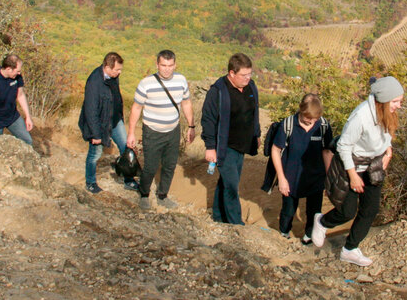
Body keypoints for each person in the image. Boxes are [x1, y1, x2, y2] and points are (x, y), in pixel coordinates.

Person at [311, 77, 403, 266]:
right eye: (395, 101)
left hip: (373, 165)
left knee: (370, 209)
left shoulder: (387, 112)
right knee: (347, 211)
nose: (399, 106)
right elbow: (344, 146)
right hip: (350, 164)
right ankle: (322, 222)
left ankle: (350, 249)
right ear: (383, 100)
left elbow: (386, 136)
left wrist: (388, 151)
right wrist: (353, 176)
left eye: (400, 101)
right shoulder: (361, 116)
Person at [127, 50, 195, 210]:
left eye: (170, 65)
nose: (167, 69)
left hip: (173, 129)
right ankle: (144, 194)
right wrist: (131, 132)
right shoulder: (146, 84)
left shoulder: (181, 80)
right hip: (152, 131)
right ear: (157, 65)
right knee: (150, 166)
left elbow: (186, 103)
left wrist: (191, 126)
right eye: (163, 65)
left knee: (170, 165)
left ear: (175, 65)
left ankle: (163, 195)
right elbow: (136, 108)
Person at [263, 93, 333, 244]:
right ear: (301, 111)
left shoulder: (323, 126)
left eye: (314, 119)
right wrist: (281, 179)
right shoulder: (288, 125)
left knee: (314, 211)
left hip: (316, 177)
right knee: (288, 210)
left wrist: (329, 178)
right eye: (309, 119)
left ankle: (308, 237)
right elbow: (276, 150)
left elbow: (327, 151)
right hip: (291, 177)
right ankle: (284, 234)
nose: (311, 122)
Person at [201, 53, 260, 225]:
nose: (248, 78)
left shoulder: (251, 87)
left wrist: (256, 134)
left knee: (226, 182)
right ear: (232, 73)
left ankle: (219, 216)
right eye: (244, 75)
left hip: (242, 145)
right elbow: (208, 120)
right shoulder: (218, 91)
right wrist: (210, 147)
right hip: (224, 146)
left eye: (250, 74)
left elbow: (253, 112)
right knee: (232, 186)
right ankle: (236, 224)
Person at [79, 52, 135, 194]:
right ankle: (90, 182)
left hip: (115, 121)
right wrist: (96, 135)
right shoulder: (94, 82)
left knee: (126, 149)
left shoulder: (113, 77)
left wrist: (120, 117)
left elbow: (116, 98)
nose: (120, 72)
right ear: (108, 67)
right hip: (99, 126)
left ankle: (129, 180)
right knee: (95, 154)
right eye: (117, 69)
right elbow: (91, 111)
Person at [0, 54, 34, 147]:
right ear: (9, 69)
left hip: (12, 116)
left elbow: (20, 95)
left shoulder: (17, 77)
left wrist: (28, 116)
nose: (19, 73)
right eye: (17, 71)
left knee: (28, 141)